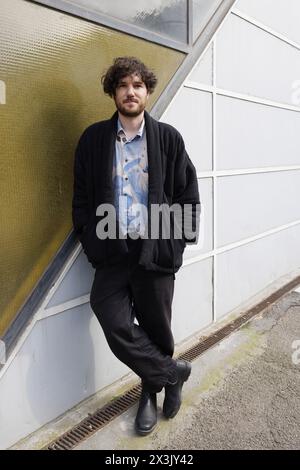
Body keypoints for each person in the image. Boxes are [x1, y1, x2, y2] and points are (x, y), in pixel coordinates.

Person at [72, 57, 200, 436]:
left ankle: (149, 394)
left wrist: (175, 244)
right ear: (113, 91)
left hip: (154, 251)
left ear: (147, 91)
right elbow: (81, 199)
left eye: (138, 85)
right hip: (112, 251)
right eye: (123, 85)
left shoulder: (168, 138)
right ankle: (171, 374)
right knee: (109, 314)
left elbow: (187, 194)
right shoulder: (94, 139)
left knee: (157, 330)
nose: (131, 91)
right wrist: (92, 242)